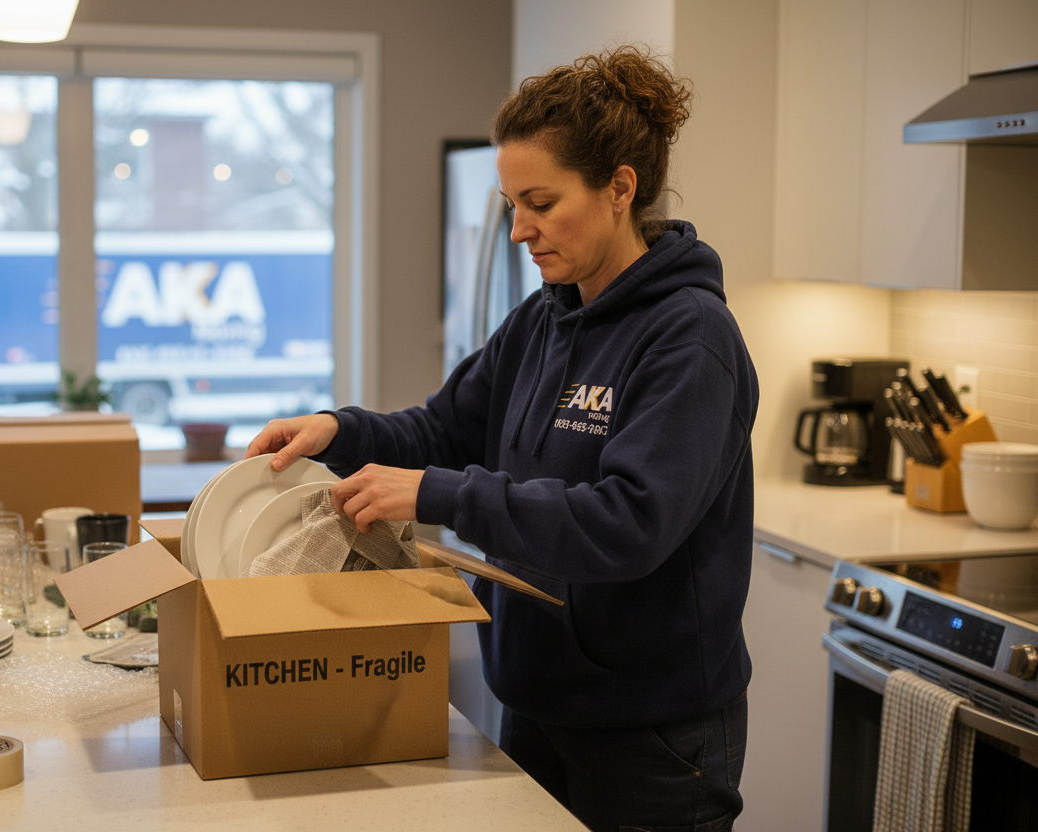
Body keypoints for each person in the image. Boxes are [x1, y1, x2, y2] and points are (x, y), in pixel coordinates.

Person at [245, 44, 759, 832]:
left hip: (650, 735)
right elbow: (445, 429)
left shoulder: (689, 339)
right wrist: (338, 431)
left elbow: (629, 524)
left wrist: (437, 493)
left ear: (620, 187)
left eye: (542, 202)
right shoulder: (542, 318)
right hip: (534, 699)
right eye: (510, 204)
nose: (520, 230)